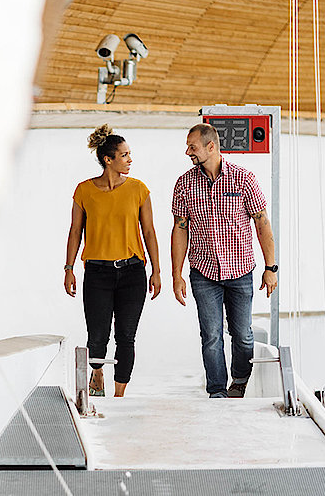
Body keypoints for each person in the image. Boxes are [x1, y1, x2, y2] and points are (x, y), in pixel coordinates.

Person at [171, 123, 278, 398]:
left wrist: (270, 268)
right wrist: (176, 274)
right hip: (203, 272)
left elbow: (262, 223)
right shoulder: (184, 184)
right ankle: (217, 391)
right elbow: (180, 228)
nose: (187, 152)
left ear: (211, 147)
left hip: (240, 271)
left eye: (192, 147)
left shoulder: (243, 179)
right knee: (211, 336)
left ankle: (240, 383)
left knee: (242, 335)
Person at [64, 124, 161, 397]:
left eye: (130, 154)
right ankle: (97, 375)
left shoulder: (139, 189)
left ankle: (119, 396)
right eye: (125, 155)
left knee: (126, 337)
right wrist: (69, 268)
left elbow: (149, 232)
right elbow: (75, 231)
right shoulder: (84, 191)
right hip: (97, 274)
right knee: (97, 337)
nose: (130, 159)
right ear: (108, 159)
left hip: (132, 273)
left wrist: (156, 271)